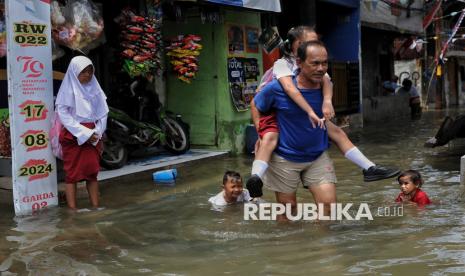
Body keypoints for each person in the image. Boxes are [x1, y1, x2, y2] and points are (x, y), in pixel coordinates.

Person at [247, 26, 399, 196]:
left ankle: (369, 167)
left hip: (311, 134)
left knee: (338, 133)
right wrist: (260, 128)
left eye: (316, 43)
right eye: (309, 43)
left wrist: (327, 102)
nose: (320, 66)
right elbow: (290, 90)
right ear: (296, 50)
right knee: (269, 139)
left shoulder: (318, 71)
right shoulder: (283, 67)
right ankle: (255, 177)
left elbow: (327, 81)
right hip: (276, 115)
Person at [251, 41, 336, 217]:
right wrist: (262, 133)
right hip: (284, 155)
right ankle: (287, 243)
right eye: (315, 63)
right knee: (287, 209)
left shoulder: (325, 86)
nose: (321, 68)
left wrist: (327, 100)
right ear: (299, 62)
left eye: (325, 63)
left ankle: (325, 244)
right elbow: (256, 103)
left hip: (316, 154)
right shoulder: (277, 86)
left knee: (329, 206)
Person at [56, 56, 109, 210]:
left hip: (94, 134)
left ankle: (95, 206)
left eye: (90, 71)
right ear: (74, 72)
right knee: (72, 175)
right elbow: (63, 114)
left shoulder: (95, 89)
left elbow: (103, 112)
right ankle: (73, 211)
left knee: (92, 172)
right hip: (73, 135)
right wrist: (84, 133)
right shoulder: (68, 90)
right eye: (83, 72)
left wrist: (97, 132)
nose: (87, 75)